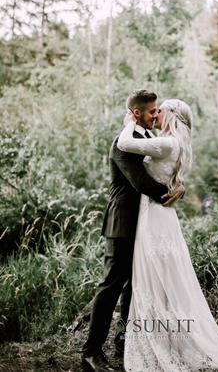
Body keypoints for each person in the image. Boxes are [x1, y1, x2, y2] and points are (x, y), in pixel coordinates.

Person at [117, 98, 218, 372]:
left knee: (155, 279)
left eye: (160, 110)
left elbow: (125, 144)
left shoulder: (167, 143)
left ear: (172, 115)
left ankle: (163, 342)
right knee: (159, 281)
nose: (156, 113)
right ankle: (165, 339)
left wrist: (128, 123)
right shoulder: (173, 143)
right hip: (159, 216)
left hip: (154, 218)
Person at [82, 90, 184, 372]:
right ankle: (91, 353)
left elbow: (165, 171)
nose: (156, 115)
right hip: (122, 224)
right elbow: (141, 182)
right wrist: (172, 192)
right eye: (152, 111)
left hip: (142, 224)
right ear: (136, 113)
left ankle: (124, 339)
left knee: (133, 285)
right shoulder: (123, 144)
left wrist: (179, 189)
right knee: (111, 286)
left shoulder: (148, 139)